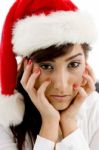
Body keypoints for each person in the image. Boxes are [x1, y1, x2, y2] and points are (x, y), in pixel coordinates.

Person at [0, 0, 99, 150]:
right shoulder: (5, 119)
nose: (61, 85)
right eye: (46, 66)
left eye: (73, 64)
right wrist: (49, 124)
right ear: (28, 66)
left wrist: (69, 123)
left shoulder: (95, 110)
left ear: (86, 63)